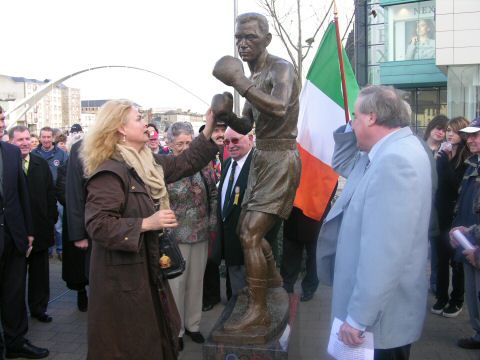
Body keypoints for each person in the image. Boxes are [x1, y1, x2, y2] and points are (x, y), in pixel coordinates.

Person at [82, 100, 218, 359]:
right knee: (130, 343)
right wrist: (148, 223)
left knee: (151, 338)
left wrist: (208, 129)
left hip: (144, 268)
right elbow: (98, 225)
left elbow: (185, 163)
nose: (146, 123)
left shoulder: (146, 162)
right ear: (121, 129)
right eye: (138, 119)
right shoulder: (110, 171)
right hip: (122, 280)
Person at [317, 85, 432, 360]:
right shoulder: (384, 151)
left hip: (376, 322)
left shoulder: (394, 161)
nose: (352, 123)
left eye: (355, 116)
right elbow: (342, 161)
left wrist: (358, 317)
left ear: (371, 118)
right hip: (379, 315)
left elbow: (385, 254)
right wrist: (353, 124)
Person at [212, 12, 301, 331]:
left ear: (267, 39)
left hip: (281, 156)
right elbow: (248, 124)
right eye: (238, 37)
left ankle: (259, 310)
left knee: (250, 232)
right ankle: (272, 279)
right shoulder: (254, 74)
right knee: (245, 230)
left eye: (250, 37)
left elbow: (278, 107)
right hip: (262, 155)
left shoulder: (281, 68)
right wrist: (227, 115)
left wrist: (239, 82)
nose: (243, 43)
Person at [0, 107, 49, 359]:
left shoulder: (9, 152)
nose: (1, 123)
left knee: (14, 292)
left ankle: (15, 341)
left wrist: (29, 231)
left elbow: (21, 195)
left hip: (14, 236)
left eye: (2, 119)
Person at [166, 121, 217, 349]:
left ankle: (193, 325)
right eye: (180, 143)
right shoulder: (164, 166)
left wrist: (212, 222)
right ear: (169, 144)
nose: (185, 148)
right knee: (176, 285)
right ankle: (176, 329)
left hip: (201, 232)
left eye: (189, 142)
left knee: (197, 281)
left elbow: (213, 193)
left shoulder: (203, 165)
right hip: (175, 236)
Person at [9, 126, 57, 323]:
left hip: (40, 229)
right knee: (16, 278)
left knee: (39, 275)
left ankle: (39, 309)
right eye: (20, 139)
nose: (25, 143)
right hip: (15, 233)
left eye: (28, 138)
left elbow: (50, 195)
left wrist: (50, 220)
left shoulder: (40, 164)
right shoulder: (7, 165)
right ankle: (16, 315)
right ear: (10, 142)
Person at [431, 117, 470, 317]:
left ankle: (457, 299)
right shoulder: (444, 154)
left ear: (463, 133)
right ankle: (441, 297)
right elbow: (438, 184)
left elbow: (456, 185)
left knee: (456, 261)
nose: (449, 134)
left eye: (453, 131)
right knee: (440, 259)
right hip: (440, 214)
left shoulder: (466, 157)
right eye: (448, 130)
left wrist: (444, 161)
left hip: (456, 216)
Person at [448, 117, 480, 350]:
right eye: (469, 135)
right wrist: (458, 229)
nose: (470, 139)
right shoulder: (473, 164)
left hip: (477, 246)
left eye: (476, 135)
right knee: (473, 298)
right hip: (468, 244)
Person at [56, 129, 89, 312]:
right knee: (77, 265)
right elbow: (62, 193)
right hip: (74, 220)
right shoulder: (64, 169)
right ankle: (81, 292)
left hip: (89, 219)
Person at [202, 120, 227, 312]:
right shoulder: (201, 158)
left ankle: (234, 296)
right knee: (211, 258)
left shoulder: (233, 153)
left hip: (229, 213)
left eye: (222, 130)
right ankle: (212, 296)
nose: (219, 134)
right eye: (215, 130)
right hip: (209, 216)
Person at [32, 126, 68, 261]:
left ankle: (60, 249)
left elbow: (66, 175)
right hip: (41, 196)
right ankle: (46, 249)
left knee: (59, 225)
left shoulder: (62, 154)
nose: (46, 140)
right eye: (44, 137)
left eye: (48, 137)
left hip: (57, 195)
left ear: (53, 138)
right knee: (44, 223)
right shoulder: (34, 153)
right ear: (40, 138)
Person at [423, 114, 448, 293]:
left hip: (437, 206)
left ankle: (434, 283)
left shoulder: (445, 151)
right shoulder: (417, 146)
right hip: (418, 204)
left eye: (445, 130)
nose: (441, 132)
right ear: (431, 127)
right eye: (438, 128)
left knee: (436, 249)